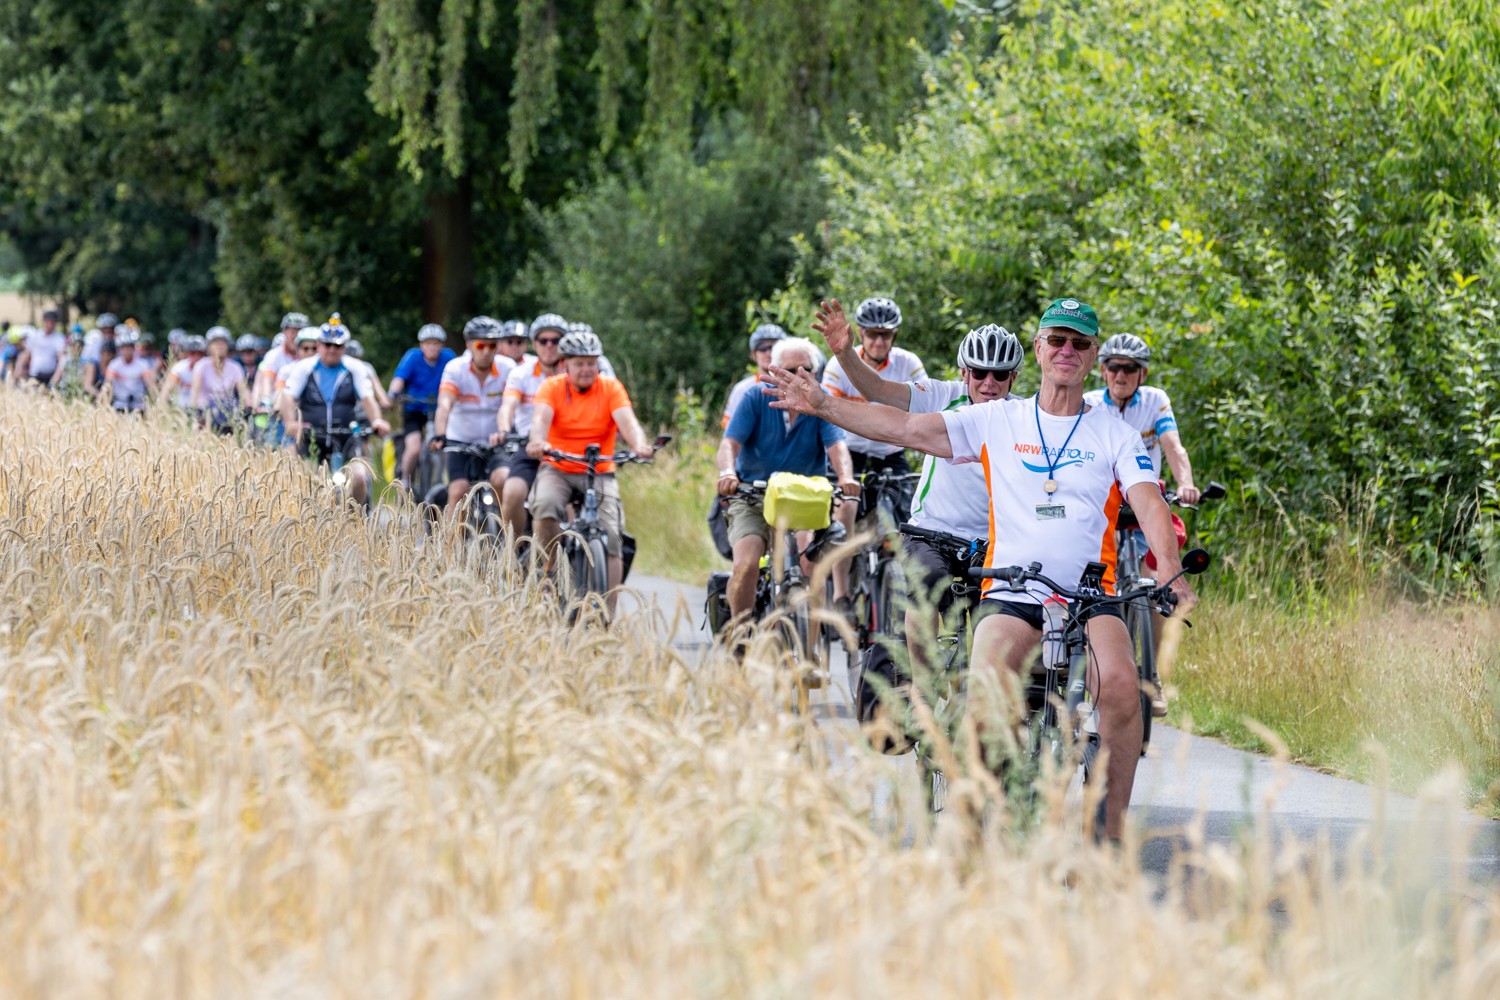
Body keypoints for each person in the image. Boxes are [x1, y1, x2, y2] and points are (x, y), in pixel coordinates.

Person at [769, 296, 1196, 843]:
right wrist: (825, 405)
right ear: (1039, 349)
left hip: (1090, 595)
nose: (1067, 351)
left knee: (1120, 689)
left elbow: (1150, 501)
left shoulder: (1112, 431)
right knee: (982, 694)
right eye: (1057, 340)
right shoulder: (997, 417)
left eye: (1080, 343)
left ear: (1091, 357)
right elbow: (905, 426)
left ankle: (1106, 841)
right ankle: (972, 842)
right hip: (1014, 590)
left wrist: (1171, 572)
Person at [812, 318, 1024, 728]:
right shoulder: (941, 396)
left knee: (1004, 628)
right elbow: (879, 392)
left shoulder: (1024, 416)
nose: (989, 382)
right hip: (935, 534)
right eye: (979, 372)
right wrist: (843, 354)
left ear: (1013, 376)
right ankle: (922, 692)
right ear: (965, 372)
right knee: (924, 586)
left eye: (999, 374)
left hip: (997, 545)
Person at [1082, 332, 1200, 716]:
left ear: (1142, 373)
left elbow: (1173, 446)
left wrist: (1186, 483)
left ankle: (1153, 677)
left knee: (1157, 584)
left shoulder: (1155, 401)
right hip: (1104, 504)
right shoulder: (1087, 404)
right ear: (1102, 370)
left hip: (1143, 502)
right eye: (1114, 366)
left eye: (1130, 368)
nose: (1121, 374)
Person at [715, 336, 859, 621]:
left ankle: (811, 657)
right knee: (745, 566)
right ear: (775, 372)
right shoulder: (756, 397)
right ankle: (741, 638)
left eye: (806, 370)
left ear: (815, 373)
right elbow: (729, 443)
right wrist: (728, 472)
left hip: (802, 500)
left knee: (810, 567)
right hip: (753, 497)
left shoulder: (821, 404)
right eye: (790, 371)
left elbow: (837, 446)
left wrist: (846, 477)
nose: (799, 378)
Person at [526, 328, 653, 616]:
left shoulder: (610, 388)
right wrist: (537, 441)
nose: (586, 369)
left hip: (599, 470)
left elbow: (628, 422)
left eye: (591, 362)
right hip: (558, 466)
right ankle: (548, 573)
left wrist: (640, 445)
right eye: (579, 363)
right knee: (545, 504)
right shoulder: (552, 387)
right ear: (565, 364)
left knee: (611, 534)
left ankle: (607, 614)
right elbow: (540, 419)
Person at [819, 296, 927, 606]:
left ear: (894, 336)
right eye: (872, 334)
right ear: (861, 334)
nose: (879, 340)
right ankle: (840, 594)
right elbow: (829, 416)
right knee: (846, 510)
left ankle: (896, 587)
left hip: (891, 454)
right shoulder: (839, 363)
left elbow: (923, 409)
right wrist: (843, 471)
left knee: (909, 524)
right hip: (850, 451)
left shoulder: (908, 363)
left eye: (886, 334)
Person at [278, 319, 390, 506]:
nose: (332, 349)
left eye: (337, 346)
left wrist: (377, 420)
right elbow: (288, 397)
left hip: (346, 436)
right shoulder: (304, 368)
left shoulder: (354, 368)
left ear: (344, 347)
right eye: (327, 344)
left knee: (360, 477)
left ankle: (356, 522)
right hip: (312, 436)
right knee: (305, 482)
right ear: (319, 345)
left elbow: (367, 399)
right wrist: (291, 422)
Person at [431, 316, 515, 516]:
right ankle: (451, 545)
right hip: (461, 441)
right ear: (469, 345)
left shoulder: (508, 368)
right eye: (480, 345)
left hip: (497, 441)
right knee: (458, 490)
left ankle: (510, 539)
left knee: (502, 481)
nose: (486, 352)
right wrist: (440, 434)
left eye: (492, 346)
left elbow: (514, 405)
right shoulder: (455, 368)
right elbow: (444, 403)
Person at [495, 316, 567, 537]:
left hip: (566, 447)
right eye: (543, 340)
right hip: (529, 446)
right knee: (513, 492)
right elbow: (508, 406)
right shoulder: (521, 373)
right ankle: (513, 552)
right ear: (534, 344)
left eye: (555, 341)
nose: (549, 346)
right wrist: (504, 430)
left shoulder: (573, 373)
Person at [387, 323, 457, 490]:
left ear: (442, 345)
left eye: (436, 343)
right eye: (428, 343)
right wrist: (393, 394)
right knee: (414, 447)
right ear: (421, 345)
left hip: (440, 410)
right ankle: (404, 481)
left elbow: (459, 376)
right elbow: (399, 379)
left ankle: (451, 481)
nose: (432, 347)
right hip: (414, 409)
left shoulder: (448, 357)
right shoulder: (413, 357)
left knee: (448, 445)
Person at [721, 323, 786, 429]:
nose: (768, 353)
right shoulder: (742, 389)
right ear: (753, 354)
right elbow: (730, 431)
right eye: (762, 348)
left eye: (774, 347)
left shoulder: (794, 386)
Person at [192, 327, 251, 433]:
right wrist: (195, 410)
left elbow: (243, 390)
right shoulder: (201, 366)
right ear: (209, 347)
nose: (220, 345)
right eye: (216, 342)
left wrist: (249, 406)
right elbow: (195, 390)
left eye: (223, 342)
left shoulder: (235, 367)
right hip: (205, 412)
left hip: (229, 412)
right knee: (196, 428)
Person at [104, 328, 156, 412]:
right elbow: (107, 384)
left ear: (133, 348)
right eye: (123, 348)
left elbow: (149, 384)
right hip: (119, 404)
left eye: (128, 348)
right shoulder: (114, 364)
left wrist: (156, 401)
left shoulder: (143, 364)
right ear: (119, 349)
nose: (126, 351)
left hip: (138, 404)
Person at [16, 309, 69, 389]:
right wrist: (21, 371)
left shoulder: (59, 338)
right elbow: (26, 355)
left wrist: (55, 379)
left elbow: (62, 359)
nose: (50, 325)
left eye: (52, 322)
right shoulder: (35, 336)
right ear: (43, 322)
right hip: (34, 375)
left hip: (50, 375)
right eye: (48, 322)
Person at [162, 335, 208, 410]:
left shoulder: (209, 367)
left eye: (200, 353)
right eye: (192, 353)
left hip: (204, 409)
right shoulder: (180, 367)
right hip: (182, 408)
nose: (196, 356)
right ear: (187, 353)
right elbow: (167, 388)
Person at [81, 312, 120, 396]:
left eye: (110, 330)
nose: (108, 333)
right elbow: (86, 364)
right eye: (105, 330)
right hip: (97, 376)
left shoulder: (120, 344)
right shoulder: (94, 344)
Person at [343, 339, 390, 408]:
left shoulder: (366, 367)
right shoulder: (340, 368)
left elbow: (376, 385)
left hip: (364, 408)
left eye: (355, 358)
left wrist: (383, 400)